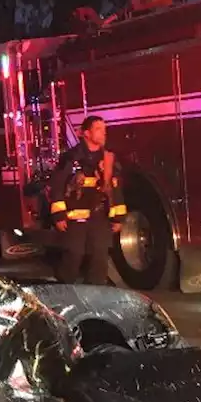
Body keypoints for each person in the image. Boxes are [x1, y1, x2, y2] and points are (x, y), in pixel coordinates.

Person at [44, 115, 125, 285]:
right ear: (86, 133)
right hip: (74, 217)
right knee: (74, 254)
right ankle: (65, 290)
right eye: (98, 129)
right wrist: (59, 215)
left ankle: (95, 295)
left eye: (104, 129)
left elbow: (115, 188)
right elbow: (57, 186)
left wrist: (118, 218)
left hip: (100, 216)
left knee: (100, 257)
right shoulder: (70, 158)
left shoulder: (109, 159)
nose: (104, 133)